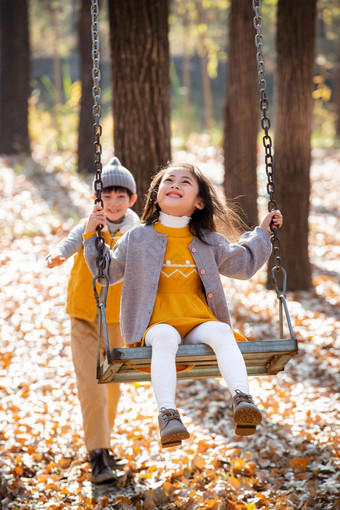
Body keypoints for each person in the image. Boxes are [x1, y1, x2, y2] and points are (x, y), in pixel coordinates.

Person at [83, 162, 283, 448]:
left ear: (200, 202)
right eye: (169, 180)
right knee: (164, 339)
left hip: (198, 320)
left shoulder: (208, 240)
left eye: (185, 182)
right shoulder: (137, 238)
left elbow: (244, 264)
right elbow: (108, 273)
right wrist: (93, 236)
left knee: (223, 334)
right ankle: (168, 414)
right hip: (155, 323)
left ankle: (242, 400)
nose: (175, 184)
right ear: (156, 195)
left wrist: (262, 233)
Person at [46, 157, 139, 480]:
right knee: (91, 386)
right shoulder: (88, 225)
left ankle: (105, 445)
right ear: (95, 201)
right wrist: (59, 254)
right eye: (106, 198)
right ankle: (97, 454)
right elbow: (71, 242)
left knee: (112, 388)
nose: (113, 204)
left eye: (120, 197)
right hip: (84, 315)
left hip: (118, 320)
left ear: (132, 200)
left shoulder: (136, 232)